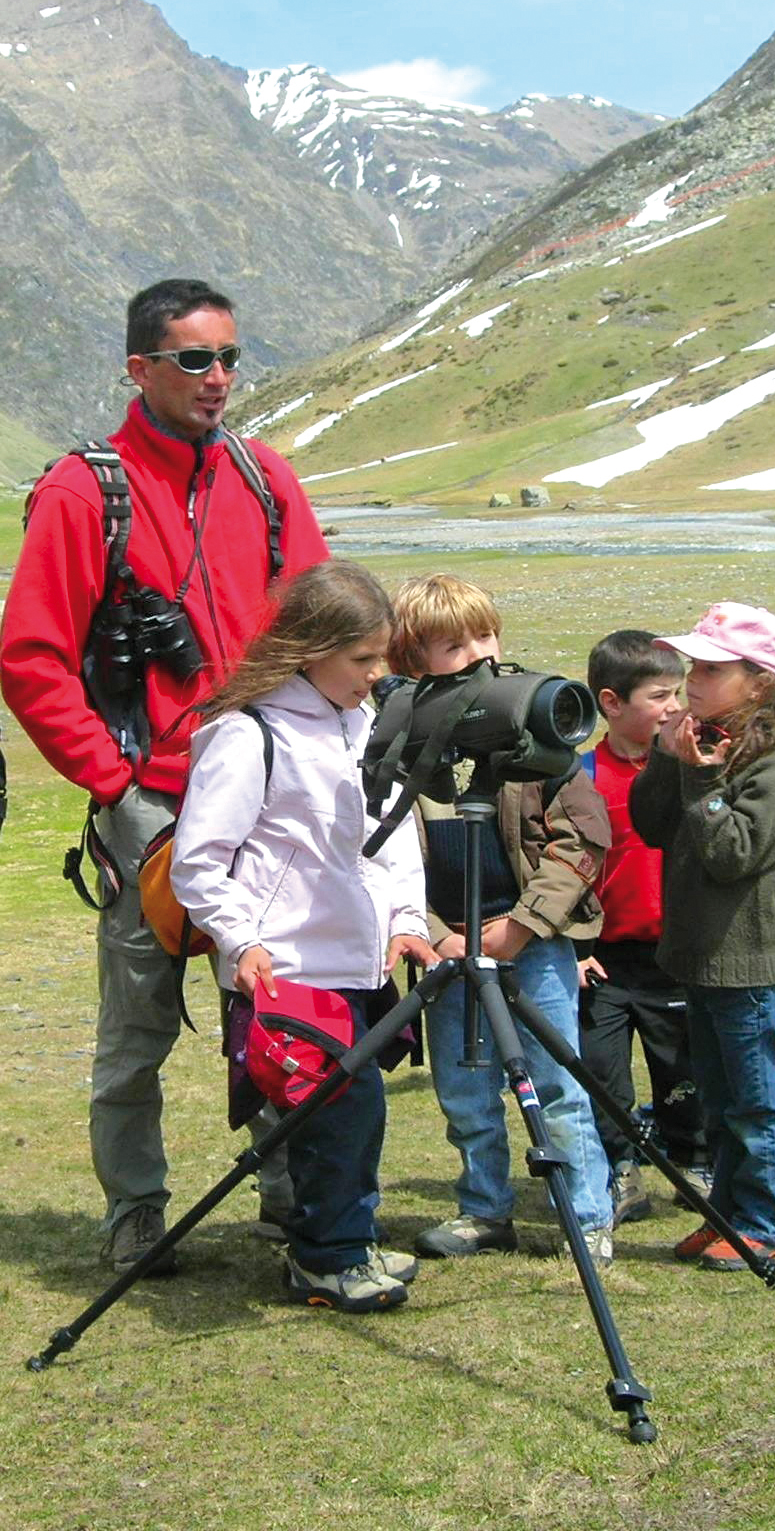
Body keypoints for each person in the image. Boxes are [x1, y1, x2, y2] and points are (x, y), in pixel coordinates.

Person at [0, 279, 328, 1275]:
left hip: (265, 795)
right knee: (138, 1023)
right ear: (139, 369)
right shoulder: (81, 491)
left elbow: (321, 626)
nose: (218, 378)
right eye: (194, 359)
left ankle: (291, 1192)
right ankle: (135, 1214)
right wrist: (115, 781)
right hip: (155, 805)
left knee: (278, 1007)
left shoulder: (266, 480)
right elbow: (31, 658)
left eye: (230, 357)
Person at [171, 560, 436, 1313]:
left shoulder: (364, 723)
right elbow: (199, 861)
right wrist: (239, 939)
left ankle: (344, 1239)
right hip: (285, 967)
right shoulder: (245, 732)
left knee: (358, 1112)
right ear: (310, 649)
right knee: (337, 1114)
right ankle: (326, 1259)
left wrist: (407, 922)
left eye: (381, 657)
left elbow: (387, 841)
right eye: (361, 660)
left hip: (357, 961)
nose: (375, 675)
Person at [384, 573, 615, 1266]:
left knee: (557, 1084)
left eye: (484, 635)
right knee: (464, 1090)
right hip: (446, 948)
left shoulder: (531, 735)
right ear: (413, 658)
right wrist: (432, 932)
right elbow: (382, 854)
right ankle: (483, 1210)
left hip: (532, 945)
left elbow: (582, 840)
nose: (477, 655)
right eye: (452, 645)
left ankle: (587, 1216)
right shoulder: (401, 742)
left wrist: (522, 923)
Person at [630, 602, 775, 1272]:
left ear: (758, 683)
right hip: (702, 963)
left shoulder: (773, 768)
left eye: (709, 668)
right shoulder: (706, 747)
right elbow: (653, 827)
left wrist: (700, 777)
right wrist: (666, 759)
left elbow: (730, 855)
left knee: (756, 1103)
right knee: (720, 1103)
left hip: (747, 966)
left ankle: (770, 1223)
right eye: (691, 667)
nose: (691, 680)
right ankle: (732, 1217)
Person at [576, 630, 709, 1224]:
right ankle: (619, 1170)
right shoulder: (578, 775)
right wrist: (573, 947)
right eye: (659, 695)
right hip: (600, 960)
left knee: (682, 1070)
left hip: (674, 956)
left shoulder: (693, 768)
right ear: (611, 702)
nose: (675, 707)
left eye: (678, 692)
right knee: (602, 1075)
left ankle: (695, 1163)